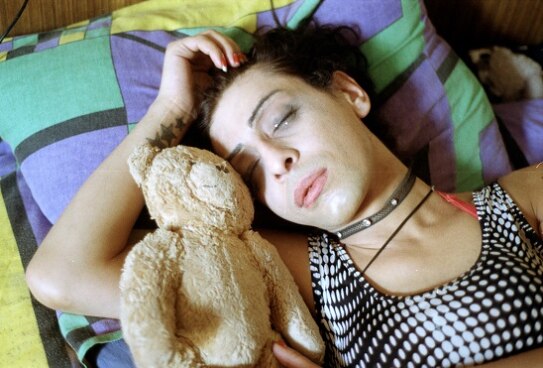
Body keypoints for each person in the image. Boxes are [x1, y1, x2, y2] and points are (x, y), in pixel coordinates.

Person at [25, 22, 543, 367]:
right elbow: (62, 273)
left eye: (283, 118)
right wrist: (168, 113)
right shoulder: (287, 274)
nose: (278, 161)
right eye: (251, 172)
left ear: (349, 93)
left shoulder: (519, 204)